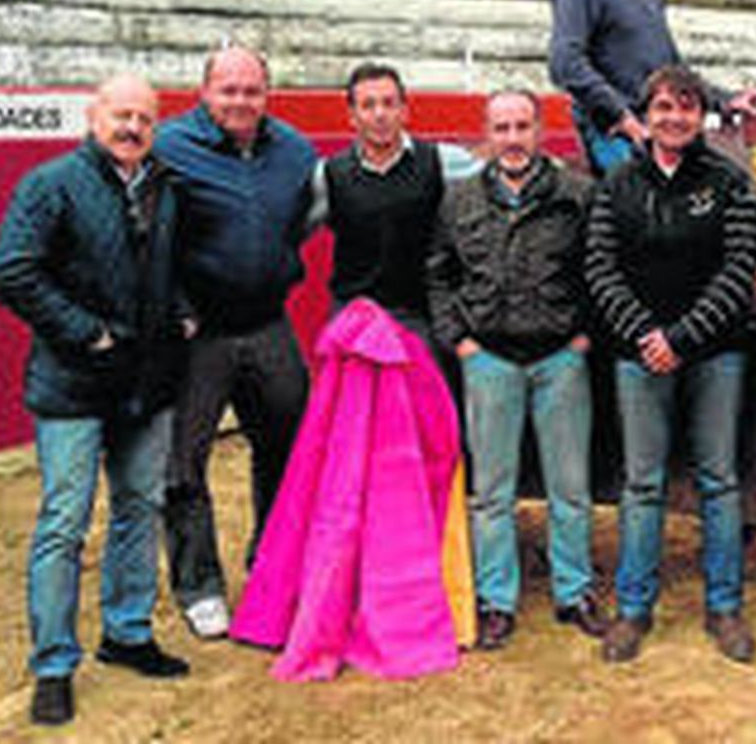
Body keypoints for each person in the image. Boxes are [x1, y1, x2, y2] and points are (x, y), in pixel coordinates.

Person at [0, 73, 193, 726]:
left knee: (140, 507)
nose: (132, 126)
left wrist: (183, 311)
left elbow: (170, 266)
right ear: (93, 115)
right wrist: (90, 333)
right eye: (121, 114)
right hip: (74, 383)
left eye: (144, 117)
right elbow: (14, 271)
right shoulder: (50, 183)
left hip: (147, 380)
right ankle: (53, 664)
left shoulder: (164, 185)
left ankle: (127, 632)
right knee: (64, 523)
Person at [586, 65, 756, 664]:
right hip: (638, 355)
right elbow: (600, 269)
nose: (674, 117)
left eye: (686, 107)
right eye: (663, 107)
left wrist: (681, 338)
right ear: (647, 114)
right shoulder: (617, 183)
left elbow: (738, 271)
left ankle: (725, 607)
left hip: (715, 353)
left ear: (699, 116)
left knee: (718, 478)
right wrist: (644, 334)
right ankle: (633, 610)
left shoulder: (730, 182)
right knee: (642, 482)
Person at [428, 89, 608, 651]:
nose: (512, 138)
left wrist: (585, 338)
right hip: (490, 360)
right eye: (501, 127)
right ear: (487, 133)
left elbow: (600, 270)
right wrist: (459, 342)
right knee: (493, 491)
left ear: (540, 131)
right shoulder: (458, 201)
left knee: (570, 487)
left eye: (522, 126)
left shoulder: (577, 194)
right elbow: (438, 273)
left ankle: (575, 590)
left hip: (560, 358)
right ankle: (496, 599)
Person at [154, 45, 318, 641]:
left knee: (287, 447)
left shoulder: (295, 150)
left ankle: (271, 564)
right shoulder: (170, 148)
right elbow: (144, 233)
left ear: (266, 95)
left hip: (269, 322)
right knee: (183, 463)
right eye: (229, 90)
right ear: (205, 92)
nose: (240, 102)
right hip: (200, 333)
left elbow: (302, 221)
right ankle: (199, 586)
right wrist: (176, 307)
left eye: (251, 91)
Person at [549, 0, 755, 175]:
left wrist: (726, 100)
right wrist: (620, 116)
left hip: (658, 128)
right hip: (614, 134)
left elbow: (673, 71)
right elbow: (565, 63)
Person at [306, 63, 445, 339]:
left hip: (419, 316)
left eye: (389, 104)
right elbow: (291, 234)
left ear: (404, 111)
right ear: (352, 116)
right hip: (354, 315)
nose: (380, 114)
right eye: (368, 105)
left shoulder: (439, 162)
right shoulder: (329, 174)